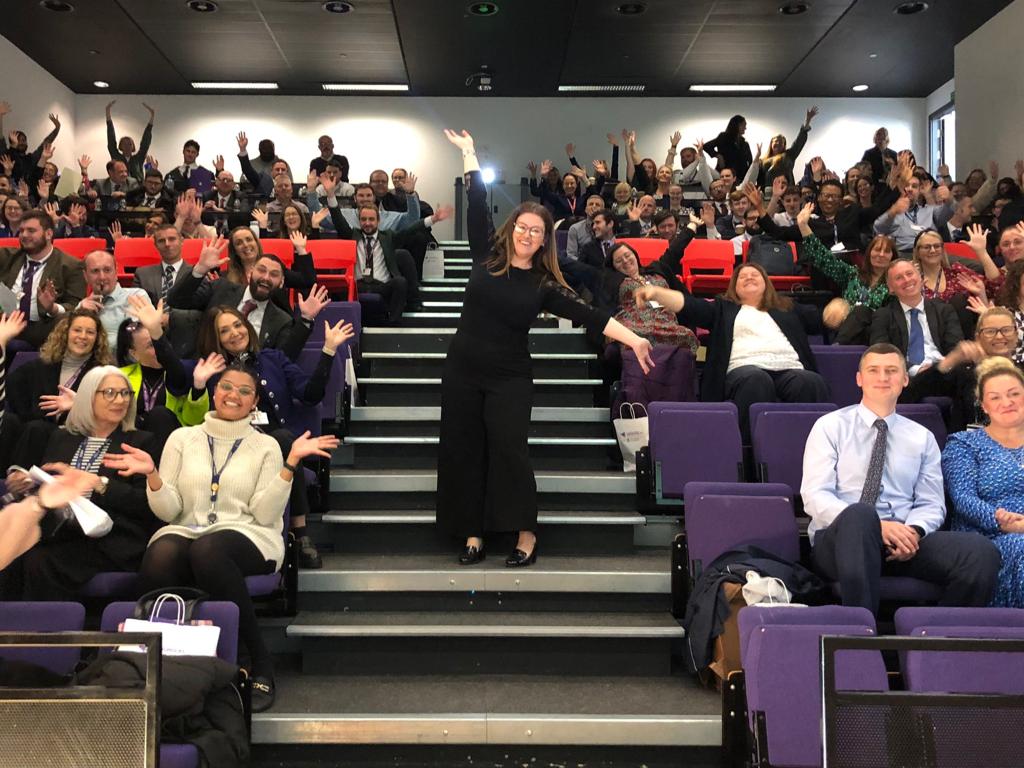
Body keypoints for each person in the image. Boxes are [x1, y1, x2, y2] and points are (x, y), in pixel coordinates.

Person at [439, 129, 654, 569]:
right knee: (465, 448)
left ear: (543, 241)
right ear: (512, 229)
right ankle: (474, 533)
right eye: (522, 226)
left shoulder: (543, 285)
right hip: (462, 370)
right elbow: (477, 204)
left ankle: (525, 533)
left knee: (509, 452)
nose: (527, 234)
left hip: (509, 378)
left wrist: (633, 337)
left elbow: (590, 316)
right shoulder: (484, 256)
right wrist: (470, 154)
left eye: (536, 231)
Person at [103, 362, 341, 710]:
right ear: (215, 392)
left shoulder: (266, 446)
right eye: (228, 387)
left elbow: (264, 513)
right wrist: (153, 475)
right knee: (162, 552)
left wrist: (290, 466)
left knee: (208, 550)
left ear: (254, 401)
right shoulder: (182, 438)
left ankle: (258, 661)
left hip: (251, 533)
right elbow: (170, 511)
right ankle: (147, 665)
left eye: (245, 391)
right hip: (187, 527)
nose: (234, 395)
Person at [801, 343, 999, 615]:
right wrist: (877, 526)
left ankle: (935, 642)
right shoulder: (829, 427)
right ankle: (859, 640)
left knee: (979, 552)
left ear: (905, 379)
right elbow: (815, 496)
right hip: (841, 542)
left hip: (903, 542)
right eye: (874, 370)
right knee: (860, 516)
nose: (883, 378)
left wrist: (914, 532)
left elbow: (932, 503)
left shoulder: (922, 437)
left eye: (892, 371)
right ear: (859, 379)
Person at [194, 305, 352, 569]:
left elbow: (310, 395)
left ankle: (299, 535)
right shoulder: (211, 368)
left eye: (238, 325)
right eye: (224, 330)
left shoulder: (272, 359)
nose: (235, 333)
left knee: (286, 442)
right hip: (228, 446)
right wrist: (200, 384)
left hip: (276, 442)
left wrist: (328, 351)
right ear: (216, 339)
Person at [0, 366, 159, 601]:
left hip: (108, 535)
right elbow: (52, 488)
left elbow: (145, 504)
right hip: (59, 528)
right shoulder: (62, 437)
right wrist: (28, 484)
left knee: (39, 560)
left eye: (126, 393)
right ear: (87, 397)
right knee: (14, 548)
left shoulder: (140, 441)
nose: (120, 400)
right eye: (110, 393)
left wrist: (100, 483)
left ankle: (46, 633)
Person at [635, 261, 828, 439]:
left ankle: (813, 450)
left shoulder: (787, 307)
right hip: (744, 369)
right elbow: (690, 305)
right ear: (734, 287)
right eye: (742, 277)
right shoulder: (723, 309)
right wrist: (656, 292)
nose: (749, 277)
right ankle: (750, 453)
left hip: (789, 367)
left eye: (755, 274)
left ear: (767, 283)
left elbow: (823, 319)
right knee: (756, 381)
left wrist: (839, 310)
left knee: (810, 382)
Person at [943, 357, 1024, 608]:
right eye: (996, 397)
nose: (1007, 402)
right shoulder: (963, 444)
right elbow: (963, 498)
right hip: (986, 535)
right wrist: (1003, 522)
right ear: (984, 405)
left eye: (1014, 394)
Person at [167, 237, 318, 358]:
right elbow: (176, 301)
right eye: (261, 270)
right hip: (206, 371)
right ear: (251, 272)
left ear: (281, 283)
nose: (266, 278)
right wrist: (200, 269)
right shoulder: (220, 288)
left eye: (274, 275)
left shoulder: (282, 320)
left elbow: (284, 359)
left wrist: (305, 319)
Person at [115, 294, 212, 447]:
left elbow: (194, 420)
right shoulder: (119, 377)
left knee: (159, 415)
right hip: (131, 443)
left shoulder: (183, 369)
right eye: (150, 345)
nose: (158, 349)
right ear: (133, 353)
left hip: (174, 444)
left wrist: (198, 388)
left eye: (158, 342)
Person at [916, 307, 1018, 432]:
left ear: (1016, 335)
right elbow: (910, 395)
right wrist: (950, 360)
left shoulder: (1020, 373)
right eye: (990, 331)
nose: (999, 336)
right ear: (978, 337)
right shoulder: (963, 374)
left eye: (1006, 330)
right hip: (970, 447)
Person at [869, 259, 964, 385]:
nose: (907, 280)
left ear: (920, 278)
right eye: (899, 278)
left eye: (909, 274)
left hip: (946, 372)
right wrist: (915, 369)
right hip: (908, 378)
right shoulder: (883, 316)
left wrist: (947, 363)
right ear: (890, 288)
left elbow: (955, 347)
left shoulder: (943, 310)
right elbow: (882, 352)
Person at [0, 208, 85, 347]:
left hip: (44, 331)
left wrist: (53, 308)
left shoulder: (70, 265)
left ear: (48, 234)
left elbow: (76, 306)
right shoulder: (7, 257)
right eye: (21, 231)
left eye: (31, 231)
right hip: (5, 326)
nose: (24, 235)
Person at [78, 250, 151, 349]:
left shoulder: (136, 296)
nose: (102, 277)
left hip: (125, 363)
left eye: (107, 270)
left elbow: (131, 336)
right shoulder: (82, 307)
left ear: (116, 272)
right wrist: (82, 314)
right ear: (86, 276)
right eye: (95, 271)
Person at [759, 106, 818, 187]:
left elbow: (799, 142)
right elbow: (759, 179)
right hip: (768, 194)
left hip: (787, 192)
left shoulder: (789, 155)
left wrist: (807, 121)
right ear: (771, 144)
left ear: (784, 145)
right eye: (775, 141)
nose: (778, 143)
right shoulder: (762, 161)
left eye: (781, 142)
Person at [105, 100, 154, 182]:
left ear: (133, 146)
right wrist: (108, 115)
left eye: (129, 144)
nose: (127, 147)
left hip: (137, 190)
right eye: (124, 144)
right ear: (120, 146)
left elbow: (145, 143)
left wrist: (151, 119)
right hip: (120, 188)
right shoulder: (116, 158)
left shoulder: (138, 158)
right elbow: (111, 141)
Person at [704, 115, 753, 181]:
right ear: (736, 125)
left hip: (740, 177)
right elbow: (707, 146)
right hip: (724, 174)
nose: (745, 128)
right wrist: (718, 156)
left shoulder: (745, 144)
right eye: (743, 125)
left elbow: (750, 161)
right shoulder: (723, 137)